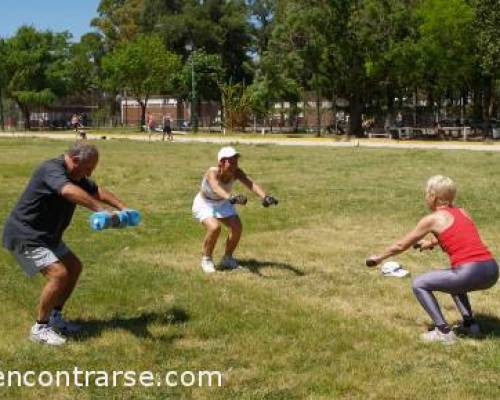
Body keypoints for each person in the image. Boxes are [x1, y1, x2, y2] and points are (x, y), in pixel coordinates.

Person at [2, 142, 130, 346]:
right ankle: (40, 328)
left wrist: (124, 209)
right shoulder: (51, 169)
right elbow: (68, 191)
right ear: (75, 160)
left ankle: (55, 318)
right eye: (88, 168)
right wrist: (99, 210)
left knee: (74, 267)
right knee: (58, 274)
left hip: (47, 237)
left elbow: (96, 190)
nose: (88, 174)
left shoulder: (76, 175)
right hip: (25, 235)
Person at [366, 175, 498, 344]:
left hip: (469, 272)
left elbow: (401, 245)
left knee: (419, 283)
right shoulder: (463, 212)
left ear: (433, 196)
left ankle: (443, 332)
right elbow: (461, 233)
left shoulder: (432, 219)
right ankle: (471, 325)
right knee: (454, 282)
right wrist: (431, 243)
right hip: (492, 270)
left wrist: (378, 258)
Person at [192, 146, 278, 273]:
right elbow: (216, 188)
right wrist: (231, 197)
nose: (234, 165)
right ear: (221, 162)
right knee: (214, 228)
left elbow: (251, 184)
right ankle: (206, 259)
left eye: (236, 161)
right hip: (205, 203)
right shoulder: (212, 172)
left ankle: (227, 258)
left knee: (237, 227)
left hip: (223, 203)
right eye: (231, 162)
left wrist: (265, 196)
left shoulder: (236, 172)